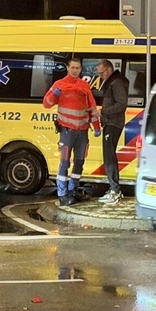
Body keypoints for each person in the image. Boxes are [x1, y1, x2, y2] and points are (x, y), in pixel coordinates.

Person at [43, 58, 100, 206]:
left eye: (78, 68)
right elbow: (46, 104)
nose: (75, 70)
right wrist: (55, 94)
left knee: (79, 162)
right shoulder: (59, 84)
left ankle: (73, 189)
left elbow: (92, 107)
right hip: (67, 130)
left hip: (82, 131)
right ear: (67, 68)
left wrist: (96, 126)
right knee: (65, 162)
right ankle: (62, 194)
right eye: (73, 67)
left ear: (81, 69)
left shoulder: (84, 85)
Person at [96, 60, 130, 205]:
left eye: (101, 73)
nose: (100, 76)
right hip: (111, 122)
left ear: (109, 70)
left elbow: (122, 104)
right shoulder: (114, 82)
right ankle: (113, 189)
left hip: (113, 123)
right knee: (108, 156)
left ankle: (115, 190)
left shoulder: (116, 83)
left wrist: (103, 112)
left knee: (109, 157)